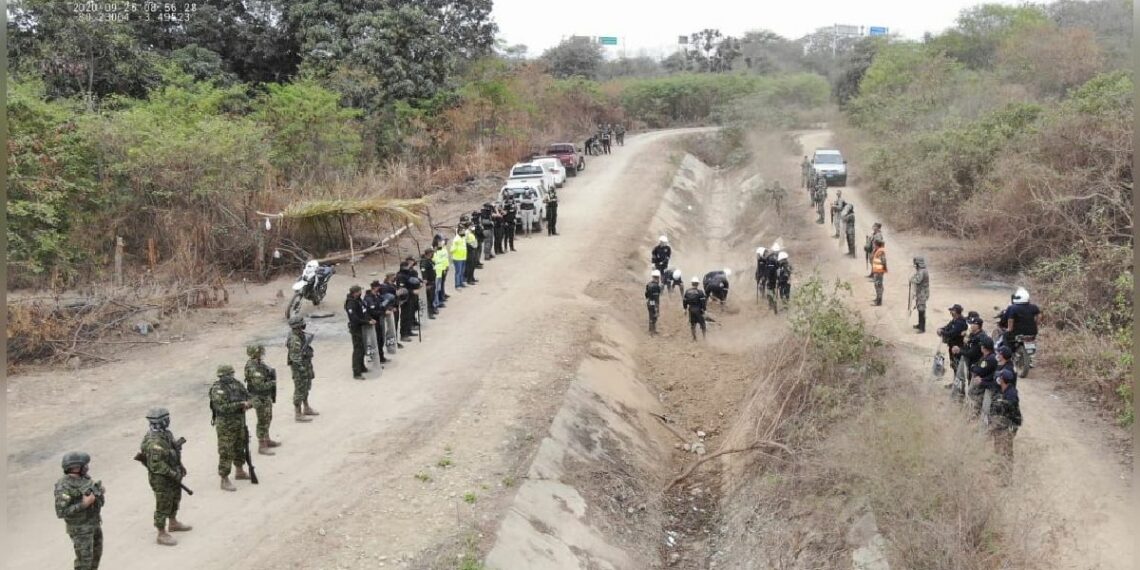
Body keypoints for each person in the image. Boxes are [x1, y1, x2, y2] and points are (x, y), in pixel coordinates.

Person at [140, 408, 192, 545]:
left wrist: (180, 466)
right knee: (163, 504)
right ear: (161, 421)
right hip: (161, 479)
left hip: (173, 473)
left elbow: (173, 452)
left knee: (175, 498)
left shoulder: (166, 434)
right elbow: (156, 466)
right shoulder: (154, 443)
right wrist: (172, 473)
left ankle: (173, 523)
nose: (168, 421)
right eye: (166, 419)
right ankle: (161, 533)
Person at [55, 451, 104, 569]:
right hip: (80, 530)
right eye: (85, 465)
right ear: (75, 468)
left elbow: (97, 502)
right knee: (84, 562)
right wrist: (84, 504)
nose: (87, 467)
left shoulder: (84, 479)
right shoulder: (64, 486)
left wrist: (99, 493)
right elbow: (61, 512)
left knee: (95, 557)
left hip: (94, 524)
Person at [209, 364, 252, 491]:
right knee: (226, 450)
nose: (231, 376)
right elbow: (222, 407)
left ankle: (239, 471)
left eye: (232, 374)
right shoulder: (218, 389)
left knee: (240, 445)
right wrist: (241, 404)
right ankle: (224, 479)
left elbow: (247, 395)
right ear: (222, 376)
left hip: (239, 421)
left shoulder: (236, 384)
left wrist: (249, 403)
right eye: (229, 374)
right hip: (225, 424)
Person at [244, 345, 280, 454]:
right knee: (262, 421)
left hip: (265, 396)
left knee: (268, 417)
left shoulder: (259, 363)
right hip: (259, 397)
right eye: (260, 352)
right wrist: (272, 383)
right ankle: (262, 445)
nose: (262, 353)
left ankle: (267, 439)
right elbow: (259, 386)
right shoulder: (253, 367)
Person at [989, 366, 1021, 475]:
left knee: (1006, 451)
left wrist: (1001, 404)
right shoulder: (1004, 390)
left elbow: (1011, 410)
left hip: (1008, 426)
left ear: (1002, 380)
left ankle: (1006, 477)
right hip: (1002, 426)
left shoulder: (1011, 394)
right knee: (998, 447)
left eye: (1000, 376)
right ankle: (998, 469)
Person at [286, 315, 318, 422]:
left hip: (305, 364)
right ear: (298, 326)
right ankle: (298, 414)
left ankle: (306, 408)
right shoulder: (295, 339)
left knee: (306, 387)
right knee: (299, 389)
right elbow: (295, 357)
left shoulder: (300, 335)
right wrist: (302, 369)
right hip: (299, 367)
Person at [1000, 287, 1041, 358]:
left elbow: (1010, 320)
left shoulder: (1012, 307)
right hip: (1032, 332)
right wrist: (1036, 324)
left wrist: (1009, 329)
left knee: (1005, 336)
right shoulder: (1034, 307)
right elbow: (1040, 316)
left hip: (1017, 333)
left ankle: (1007, 355)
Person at [968, 337, 998, 420]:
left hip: (990, 386)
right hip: (988, 383)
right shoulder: (989, 356)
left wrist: (973, 368)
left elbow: (979, 370)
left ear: (984, 348)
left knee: (984, 406)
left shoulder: (989, 358)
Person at [344, 285, 371, 379]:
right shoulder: (350, 303)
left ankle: (362, 366)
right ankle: (356, 372)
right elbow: (354, 318)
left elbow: (364, 311)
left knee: (363, 348)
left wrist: (369, 319)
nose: (361, 293)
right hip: (356, 328)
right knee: (358, 350)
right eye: (359, 291)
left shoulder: (358, 300)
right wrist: (366, 322)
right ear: (355, 292)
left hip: (362, 327)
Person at [937, 304, 968, 372]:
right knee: (954, 364)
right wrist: (942, 329)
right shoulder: (955, 320)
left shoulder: (960, 322)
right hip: (952, 345)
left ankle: (958, 381)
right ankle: (955, 381)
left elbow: (952, 333)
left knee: (957, 365)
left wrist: (942, 332)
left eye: (952, 311)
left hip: (958, 346)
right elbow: (947, 327)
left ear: (956, 312)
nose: (950, 312)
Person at [682, 276, 708, 341]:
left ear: (692, 283)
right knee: (702, 324)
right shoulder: (700, 292)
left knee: (693, 324)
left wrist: (685, 309)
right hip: (698, 310)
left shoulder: (687, 291)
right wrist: (704, 309)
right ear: (698, 284)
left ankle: (694, 338)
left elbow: (685, 301)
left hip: (691, 309)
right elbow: (703, 302)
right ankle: (704, 338)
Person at [909, 256, 929, 333]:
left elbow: (918, 280)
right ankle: (920, 324)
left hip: (922, 293)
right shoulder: (921, 270)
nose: (915, 265)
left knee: (921, 309)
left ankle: (922, 327)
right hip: (920, 292)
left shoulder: (922, 271)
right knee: (919, 308)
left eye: (915, 263)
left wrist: (911, 279)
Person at [420, 249, 438, 320]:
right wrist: (425, 280)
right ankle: (429, 312)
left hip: (433, 280)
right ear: (429, 253)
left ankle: (432, 309)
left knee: (432, 296)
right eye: (432, 253)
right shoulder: (424, 262)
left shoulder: (430, 260)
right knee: (429, 297)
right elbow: (423, 271)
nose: (433, 254)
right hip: (429, 282)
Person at [431, 243, 449, 310]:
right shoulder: (433, 255)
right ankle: (436, 302)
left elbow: (442, 261)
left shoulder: (437, 253)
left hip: (440, 272)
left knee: (438, 288)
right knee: (436, 289)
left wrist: (444, 269)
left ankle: (438, 301)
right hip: (436, 273)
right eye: (436, 247)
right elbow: (436, 262)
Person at [449, 225, 468, 290]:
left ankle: (461, 282)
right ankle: (457, 285)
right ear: (459, 232)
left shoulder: (463, 238)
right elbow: (451, 250)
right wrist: (455, 246)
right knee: (458, 272)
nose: (464, 232)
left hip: (463, 257)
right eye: (462, 231)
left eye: (464, 230)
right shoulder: (456, 239)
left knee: (462, 271)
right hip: (457, 258)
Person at [870, 236, 886, 306]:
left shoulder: (880, 252)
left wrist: (881, 271)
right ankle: (878, 298)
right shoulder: (877, 250)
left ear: (877, 245)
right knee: (877, 285)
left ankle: (879, 301)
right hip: (877, 270)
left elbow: (883, 261)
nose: (873, 245)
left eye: (874, 244)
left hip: (879, 271)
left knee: (878, 285)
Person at [645, 270, 663, 335]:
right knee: (654, 316)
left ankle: (651, 330)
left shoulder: (648, 284)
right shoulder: (657, 286)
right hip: (654, 302)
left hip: (649, 301)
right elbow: (656, 298)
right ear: (658, 277)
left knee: (651, 315)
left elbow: (646, 294)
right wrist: (656, 307)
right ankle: (652, 331)